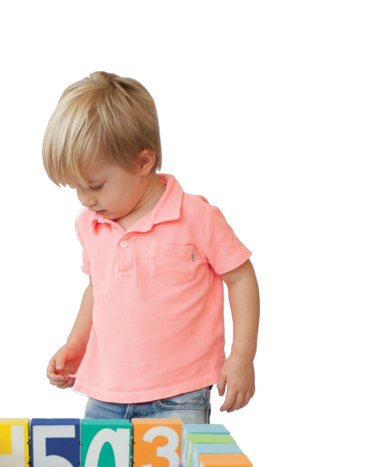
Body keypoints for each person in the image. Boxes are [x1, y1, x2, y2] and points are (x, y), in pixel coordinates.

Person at [39, 69, 259, 424]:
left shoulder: (197, 217)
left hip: (181, 396)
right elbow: (98, 289)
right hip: (105, 392)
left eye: (95, 185)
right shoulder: (89, 223)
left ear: (143, 161)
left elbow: (242, 278)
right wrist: (75, 345)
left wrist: (242, 356)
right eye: (75, 188)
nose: (85, 199)